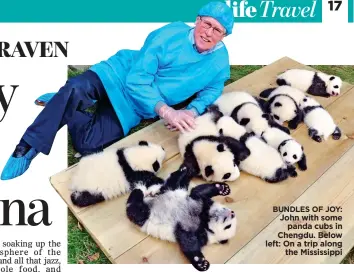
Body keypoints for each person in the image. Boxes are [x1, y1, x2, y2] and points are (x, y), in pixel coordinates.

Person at [0, 1, 234, 180]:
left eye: (218, 30)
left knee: (88, 146)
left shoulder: (220, 61)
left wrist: (193, 110)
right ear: (197, 19)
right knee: (76, 86)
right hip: (118, 75)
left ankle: (65, 103)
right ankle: (27, 146)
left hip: (134, 107)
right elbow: (137, 79)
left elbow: (214, 87)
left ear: (224, 36)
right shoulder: (169, 34)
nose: (209, 33)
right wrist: (167, 111)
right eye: (207, 24)